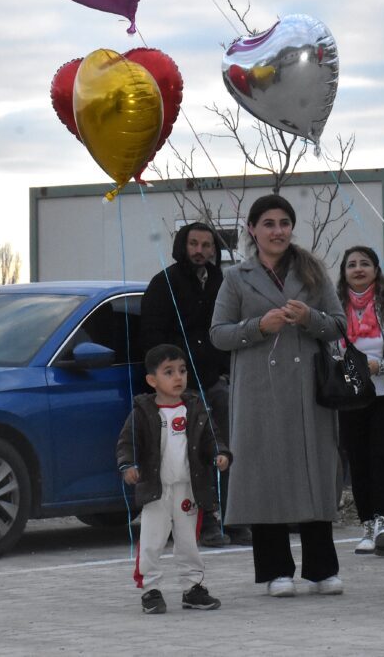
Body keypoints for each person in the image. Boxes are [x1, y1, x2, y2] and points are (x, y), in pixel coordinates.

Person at [210, 194, 346, 597]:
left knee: (313, 473)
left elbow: (338, 326)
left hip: (308, 390)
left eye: (284, 222)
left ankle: (321, 569)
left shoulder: (313, 272)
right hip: (258, 391)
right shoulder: (236, 277)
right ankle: (275, 570)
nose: (277, 231)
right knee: (265, 476)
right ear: (252, 230)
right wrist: (259, 326)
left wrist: (310, 319)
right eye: (268, 223)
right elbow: (218, 333)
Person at [139, 222, 243, 547]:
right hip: (178, 388)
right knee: (191, 453)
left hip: (214, 380)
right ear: (182, 246)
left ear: (215, 249)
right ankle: (205, 519)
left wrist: (225, 371)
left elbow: (230, 328)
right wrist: (171, 376)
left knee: (226, 447)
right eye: (194, 244)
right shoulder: (163, 284)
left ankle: (234, 517)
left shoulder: (221, 282)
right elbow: (151, 338)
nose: (200, 251)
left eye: (207, 245)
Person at [116, 344, 230, 614]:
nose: (178, 377)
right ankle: (151, 589)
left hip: (188, 489)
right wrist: (128, 465)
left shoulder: (195, 408)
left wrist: (220, 454)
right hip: (157, 491)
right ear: (152, 380)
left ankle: (193, 587)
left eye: (182, 370)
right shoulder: (142, 412)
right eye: (169, 372)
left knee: (188, 540)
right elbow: (126, 444)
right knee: (152, 540)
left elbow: (213, 437)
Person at [336, 245, 384, 557]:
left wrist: (382, 366)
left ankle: (383, 522)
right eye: (352, 264)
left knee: (383, 457)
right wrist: (354, 371)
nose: (359, 269)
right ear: (344, 272)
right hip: (350, 396)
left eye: (365, 263)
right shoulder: (334, 307)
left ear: (377, 270)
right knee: (359, 461)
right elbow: (327, 349)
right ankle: (365, 524)